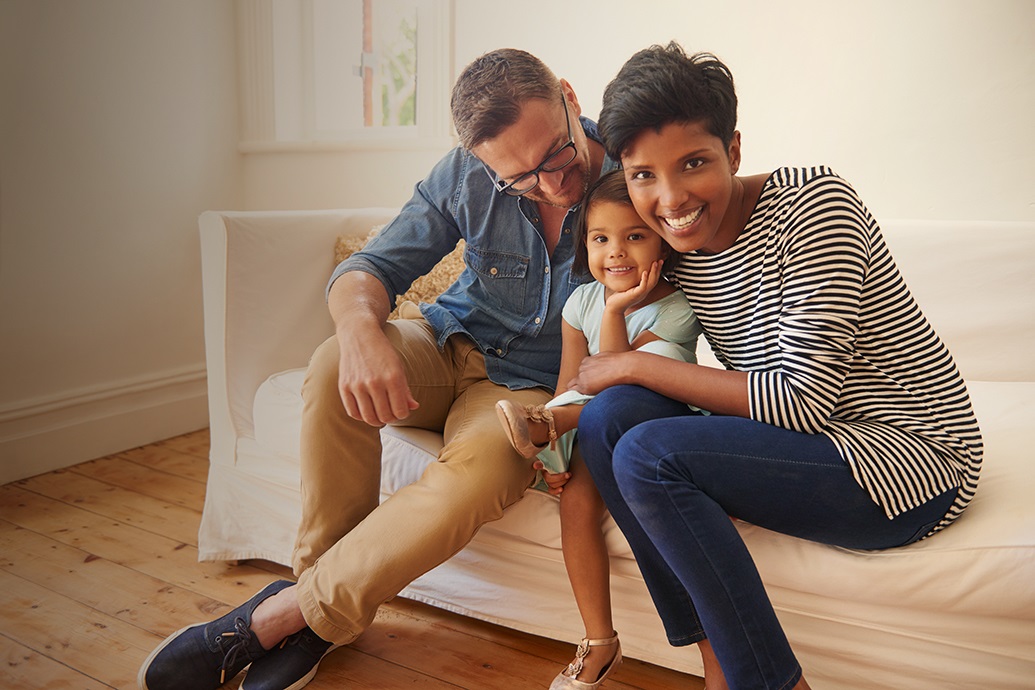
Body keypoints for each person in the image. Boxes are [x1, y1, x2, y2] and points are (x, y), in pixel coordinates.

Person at [137, 48, 616, 690]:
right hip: (447, 341)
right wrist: (360, 332)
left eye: (556, 155)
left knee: (484, 473)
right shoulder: (464, 175)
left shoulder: (632, 171)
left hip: (527, 387)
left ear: (569, 96)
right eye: (520, 178)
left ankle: (284, 618)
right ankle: (316, 609)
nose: (552, 183)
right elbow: (368, 269)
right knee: (334, 360)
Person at [567, 43, 983, 690]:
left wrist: (632, 370)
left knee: (648, 451)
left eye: (693, 163)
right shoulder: (672, 244)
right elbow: (596, 303)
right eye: (644, 175)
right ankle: (715, 662)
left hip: (907, 460)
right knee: (606, 425)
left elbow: (799, 402)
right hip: (802, 444)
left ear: (734, 150)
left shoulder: (813, 206)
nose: (670, 197)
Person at [496, 169, 702, 689]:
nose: (616, 252)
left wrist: (616, 308)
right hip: (586, 428)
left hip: (652, 426)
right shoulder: (578, 302)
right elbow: (572, 381)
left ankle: (546, 428)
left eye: (634, 236)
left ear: (662, 241)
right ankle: (599, 642)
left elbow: (617, 382)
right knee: (576, 505)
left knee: (656, 358)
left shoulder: (676, 306)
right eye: (600, 238)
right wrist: (554, 456)